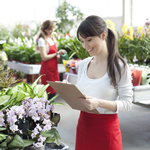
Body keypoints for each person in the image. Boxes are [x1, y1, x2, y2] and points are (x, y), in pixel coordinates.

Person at [75, 15, 133, 150]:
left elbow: (127, 103)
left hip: (107, 131)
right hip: (84, 127)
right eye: (82, 41)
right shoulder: (83, 64)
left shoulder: (119, 66)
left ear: (103, 35)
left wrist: (99, 103)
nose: (85, 46)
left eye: (89, 40)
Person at [35, 20, 66, 100]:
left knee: (54, 92)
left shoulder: (51, 38)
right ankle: (47, 112)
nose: (52, 31)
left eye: (53, 29)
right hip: (47, 71)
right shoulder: (42, 40)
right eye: (50, 30)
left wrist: (59, 55)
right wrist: (56, 53)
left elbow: (53, 54)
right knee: (48, 94)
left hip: (54, 69)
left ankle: (51, 111)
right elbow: (44, 57)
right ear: (45, 29)